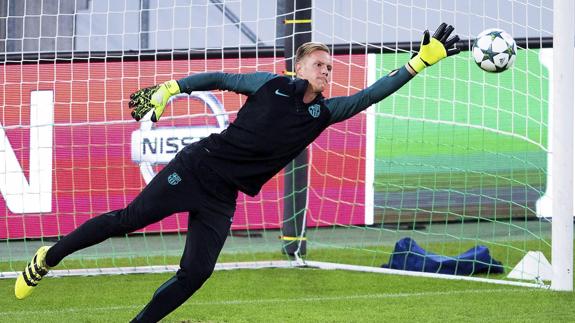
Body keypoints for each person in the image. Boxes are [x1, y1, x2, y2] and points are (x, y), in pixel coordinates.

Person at [15, 23, 459, 322]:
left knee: (196, 274)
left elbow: (370, 95)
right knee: (127, 221)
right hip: (194, 168)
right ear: (299, 67)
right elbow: (222, 78)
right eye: (319, 64)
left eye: (330, 67)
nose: (327, 71)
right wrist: (172, 88)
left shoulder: (323, 113)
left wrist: (418, 63)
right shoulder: (270, 84)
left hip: (221, 197)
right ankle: (46, 259)